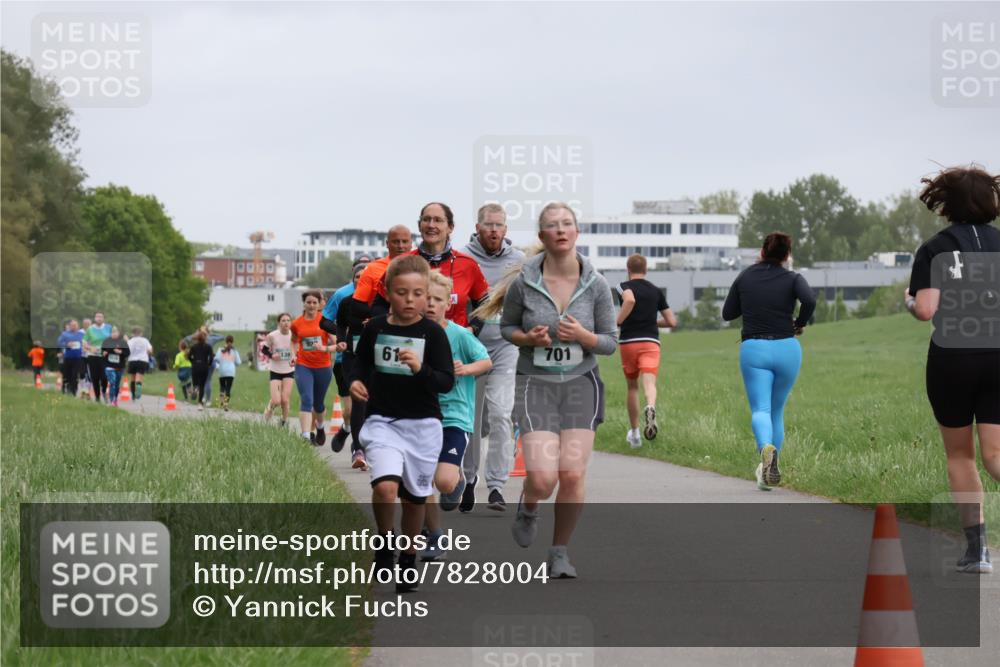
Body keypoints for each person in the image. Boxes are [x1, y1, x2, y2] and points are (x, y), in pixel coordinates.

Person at [478, 202, 618, 579]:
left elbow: (610, 341)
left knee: (571, 473)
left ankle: (559, 553)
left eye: (567, 223)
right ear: (542, 236)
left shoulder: (596, 284)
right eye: (552, 225)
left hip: (581, 383)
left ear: (576, 232)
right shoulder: (524, 283)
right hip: (535, 382)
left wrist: (584, 336)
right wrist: (528, 338)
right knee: (542, 478)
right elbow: (507, 328)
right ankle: (529, 505)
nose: (560, 230)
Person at [905, 165, 999, 574]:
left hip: (953, 358)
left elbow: (926, 310)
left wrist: (909, 301)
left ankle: (977, 552)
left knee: (961, 455)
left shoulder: (935, 248)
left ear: (949, 204)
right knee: (995, 455)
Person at [349, 254, 454, 591]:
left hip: (423, 427)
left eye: (418, 294)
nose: (410, 300)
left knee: (414, 500)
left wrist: (420, 369)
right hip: (383, 421)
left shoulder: (432, 334)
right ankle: (384, 544)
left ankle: (408, 559)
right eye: (402, 293)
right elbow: (358, 362)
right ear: (387, 292)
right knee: (385, 488)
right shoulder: (376, 328)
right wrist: (354, 381)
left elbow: (445, 381)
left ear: (427, 294)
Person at [722, 232, 815, 491]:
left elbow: (728, 313)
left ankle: (766, 449)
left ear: (762, 252)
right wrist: (799, 322)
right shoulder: (793, 278)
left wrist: (750, 301)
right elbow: (809, 300)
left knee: (761, 410)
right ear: (787, 256)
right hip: (787, 348)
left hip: (755, 349)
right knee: (777, 410)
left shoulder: (745, 277)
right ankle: (767, 474)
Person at [420, 270, 492, 561]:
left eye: (437, 299)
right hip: (421, 415)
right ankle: (434, 535)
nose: (431, 304)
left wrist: (466, 369)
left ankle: (457, 478)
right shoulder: (411, 334)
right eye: (426, 298)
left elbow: (486, 361)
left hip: (454, 415)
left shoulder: (460, 334)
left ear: (448, 303)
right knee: (421, 479)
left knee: (444, 483)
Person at [461, 203, 526, 512]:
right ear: (477, 228)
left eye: (499, 225)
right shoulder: (463, 258)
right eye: (488, 225)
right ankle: (467, 479)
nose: (493, 230)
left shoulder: (519, 261)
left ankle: (497, 486)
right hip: (470, 347)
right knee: (471, 420)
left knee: (501, 414)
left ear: (505, 229)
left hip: (505, 346)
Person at [348, 226, 415, 462]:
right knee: (365, 393)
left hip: (411, 339)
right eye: (396, 241)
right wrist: (380, 318)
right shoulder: (374, 269)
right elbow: (357, 306)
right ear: (387, 244)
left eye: (405, 241)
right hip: (380, 338)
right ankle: (359, 448)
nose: (401, 246)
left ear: (411, 243)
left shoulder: (419, 265)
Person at [616, 254, 677, 447]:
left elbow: (629, 300)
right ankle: (650, 406)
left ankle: (635, 434)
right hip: (651, 342)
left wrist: (618, 321)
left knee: (632, 387)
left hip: (629, 342)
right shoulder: (656, 291)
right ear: (646, 269)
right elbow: (671, 321)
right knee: (649, 384)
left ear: (628, 269)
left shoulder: (623, 286)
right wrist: (651, 322)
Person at [411, 202, 490, 328]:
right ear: (419, 226)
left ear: (450, 227)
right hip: (413, 338)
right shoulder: (404, 263)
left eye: (438, 220)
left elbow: (485, 304)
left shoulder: (467, 264)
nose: (431, 225)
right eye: (426, 219)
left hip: (454, 338)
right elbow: (381, 304)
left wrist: (472, 329)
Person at [321, 256, 371, 453]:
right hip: (346, 358)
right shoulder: (342, 295)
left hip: (370, 359)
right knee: (350, 410)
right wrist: (343, 336)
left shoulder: (379, 294)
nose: (362, 277)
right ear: (353, 273)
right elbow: (325, 321)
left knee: (367, 406)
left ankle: (359, 447)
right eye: (358, 273)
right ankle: (347, 428)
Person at [292, 290, 336, 444]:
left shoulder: (325, 322)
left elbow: (338, 344)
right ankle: (305, 436)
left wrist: (325, 348)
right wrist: (293, 354)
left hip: (323, 367)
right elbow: (294, 341)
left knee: (318, 404)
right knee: (307, 399)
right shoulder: (296, 323)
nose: (311, 305)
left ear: (319, 305)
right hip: (303, 365)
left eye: (314, 302)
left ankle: (320, 426)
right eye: (308, 302)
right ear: (304, 304)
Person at [263, 313, 296, 427]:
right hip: (275, 371)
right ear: (279, 323)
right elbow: (264, 349)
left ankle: (283, 422)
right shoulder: (272, 335)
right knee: (276, 400)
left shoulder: (294, 335)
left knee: (285, 400)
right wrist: (272, 355)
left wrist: (295, 358)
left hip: (289, 370)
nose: (286, 322)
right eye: (283, 320)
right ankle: (268, 411)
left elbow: (297, 350)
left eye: (288, 320)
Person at [83, 312, 112, 401]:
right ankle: (97, 397)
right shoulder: (90, 329)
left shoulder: (109, 327)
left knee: (105, 376)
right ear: (94, 318)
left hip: (105, 356)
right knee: (95, 377)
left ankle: (104, 391)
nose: (99, 318)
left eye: (101, 316)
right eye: (97, 316)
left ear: (103, 318)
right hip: (93, 356)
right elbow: (84, 341)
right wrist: (89, 348)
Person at [101, 326, 130, 405]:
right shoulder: (106, 341)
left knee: (116, 384)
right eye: (112, 332)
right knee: (112, 382)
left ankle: (115, 398)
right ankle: (112, 400)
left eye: (115, 332)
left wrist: (120, 352)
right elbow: (102, 351)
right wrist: (104, 353)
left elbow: (127, 353)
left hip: (119, 366)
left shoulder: (122, 342)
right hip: (109, 365)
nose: (114, 334)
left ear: (118, 333)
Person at [187, 331, 215, 410]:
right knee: (202, 386)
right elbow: (211, 357)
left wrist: (193, 362)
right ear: (205, 339)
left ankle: (195, 389)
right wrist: (208, 364)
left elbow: (189, 356)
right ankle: (200, 403)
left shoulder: (193, 347)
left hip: (195, 366)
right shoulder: (208, 347)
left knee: (195, 383)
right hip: (204, 367)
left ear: (197, 339)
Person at [57, 320, 85, 397]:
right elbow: (59, 343)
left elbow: (87, 342)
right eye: (72, 325)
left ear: (78, 326)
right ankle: (65, 389)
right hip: (68, 358)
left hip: (78, 358)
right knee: (67, 375)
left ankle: (73, 391)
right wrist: (67, 344)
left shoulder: (81, 334)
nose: (74, 327)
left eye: (75, 325)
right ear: (69, 326)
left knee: (75, 375)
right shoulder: (65, 334)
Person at [215, 335, 242, 411]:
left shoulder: (220, 350)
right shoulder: (234, 351)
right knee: (228, 388)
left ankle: (221, 400)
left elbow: (217, 359)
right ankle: (226, 404)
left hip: (222, 371)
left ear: (225, 341)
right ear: (232, 342)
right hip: (231, 372)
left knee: (222, 387)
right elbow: (238, 362)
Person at [126, 327, 154, 400]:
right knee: (139, 377)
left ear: (133, 334)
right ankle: (138, 386)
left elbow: (127, 351)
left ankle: (133, 395)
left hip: (132, 360)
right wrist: (148, 353)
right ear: (141, 333)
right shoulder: (145, 340)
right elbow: (150, 350)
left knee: (133, 378)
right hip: (143, 360)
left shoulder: (130, 341)